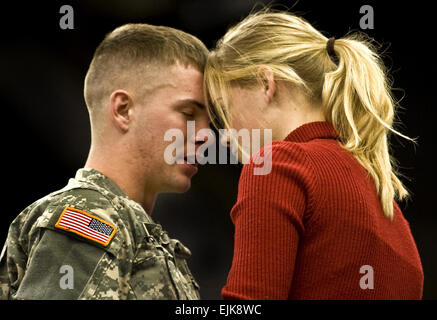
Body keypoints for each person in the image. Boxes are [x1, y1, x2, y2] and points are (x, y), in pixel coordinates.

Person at [204, 9, 424, 299]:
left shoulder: (277, 166)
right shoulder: (388, 207)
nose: (227, 132)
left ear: (266, 84)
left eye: (225, 109)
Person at [0, 23, 210, 300]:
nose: (206, 135)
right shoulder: (87, 220)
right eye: (188, 113)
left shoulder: (133, 229)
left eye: (210, 121)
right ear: (124, 110)